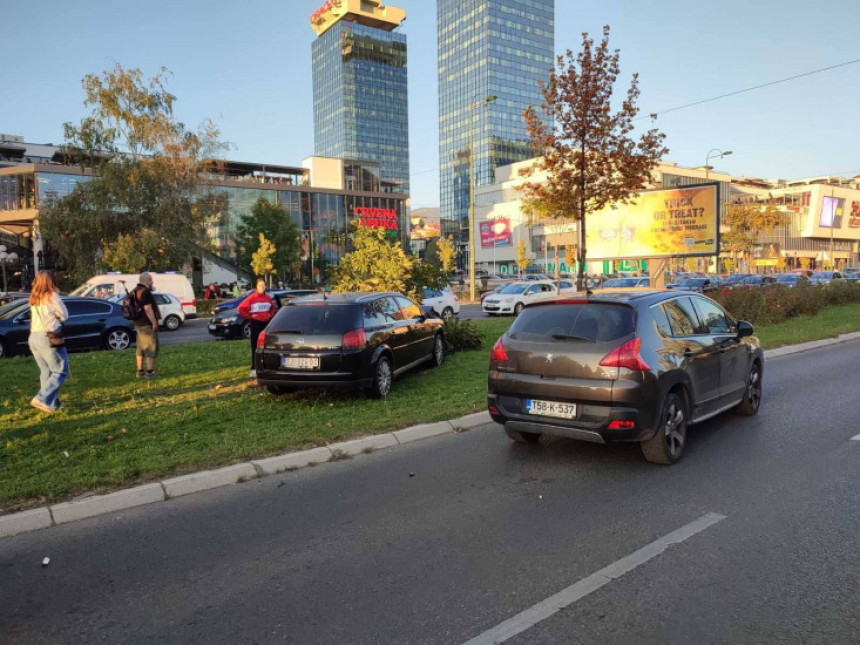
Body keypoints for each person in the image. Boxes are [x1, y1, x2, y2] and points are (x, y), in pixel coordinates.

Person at [28, 270, 69, 413]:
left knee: (46, 371)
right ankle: (42, 398)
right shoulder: (52, 296)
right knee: (61, 370)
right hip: (49, 337)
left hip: (34, 337)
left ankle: (52, 404)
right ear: (51, 281)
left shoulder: (34, 297)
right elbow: (64, 316)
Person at [237, 278, 275, 379]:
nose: (262, 288)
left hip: (265, 324)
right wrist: (251, 316)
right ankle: (254, 368)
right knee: (255, 346)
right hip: (256, 323)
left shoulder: (268, 298)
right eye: (260, 286)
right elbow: (241, 308)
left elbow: (272, 309)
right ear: (256, 287)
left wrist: (269, 316)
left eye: (263, 286)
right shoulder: (252, 298)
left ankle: (266, 366)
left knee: (266, 346)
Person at [132, 271, 161, 378]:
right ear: (144, 280)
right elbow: (148, 309)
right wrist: (154, 323)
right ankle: (150, 372)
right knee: (150, 347)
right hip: (146, 324)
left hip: (137, 323)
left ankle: (140, 371)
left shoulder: (134, 291)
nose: (151, 281)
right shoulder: (145, 292)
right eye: (150, 279)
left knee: (140, 347)